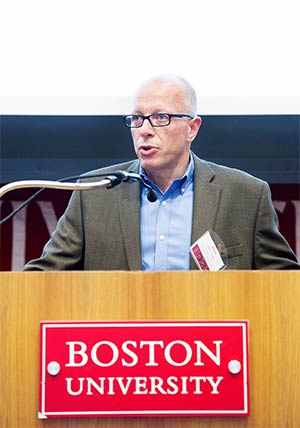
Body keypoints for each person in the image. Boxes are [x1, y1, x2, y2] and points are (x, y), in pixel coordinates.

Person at [24, 74, 299, 271]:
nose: (144, 130)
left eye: (160, 118)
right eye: (136, 119)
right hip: (120, 346)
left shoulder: (246, 195)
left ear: (192, 128)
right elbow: (45, 277)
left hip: (212, 345)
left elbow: (284, 284)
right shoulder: (94, 194)